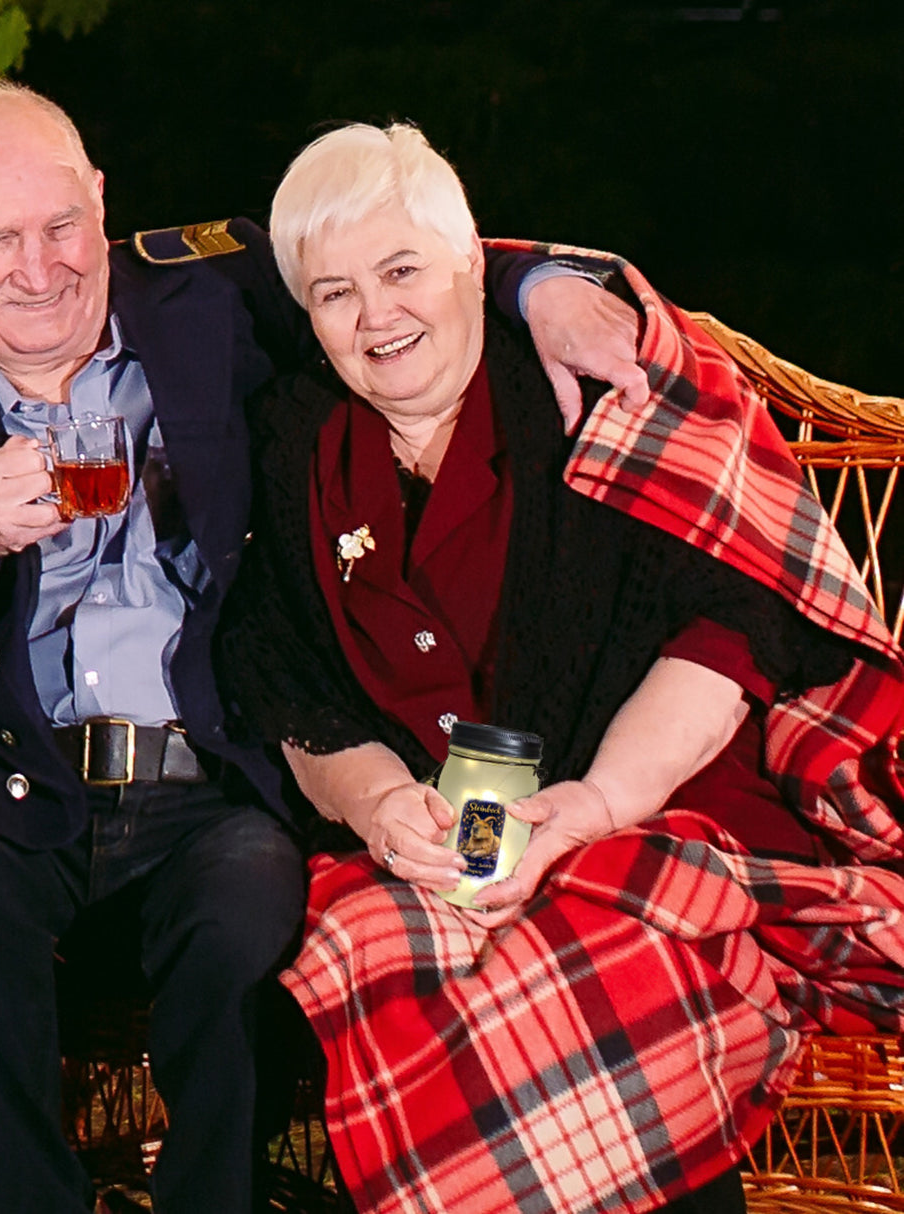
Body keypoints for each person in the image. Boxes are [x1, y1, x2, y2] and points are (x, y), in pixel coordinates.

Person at [0, 83, 649, 1214]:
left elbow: (386, 258)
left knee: (247, 903)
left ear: (99, 200)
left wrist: (543, 285)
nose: (40, 269)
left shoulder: (205, 300)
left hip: (204, 782)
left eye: (60, 225)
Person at [215, 122, 904, 1214]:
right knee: (371, 947)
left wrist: (597, 802)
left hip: (639, 799)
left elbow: (729, 623)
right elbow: (275, 667)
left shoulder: (588, 392)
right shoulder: (289, 436)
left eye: (401, 270)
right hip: (425, 852)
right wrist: (384, 803)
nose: (375, 314)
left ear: (468, 266)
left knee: (615, 955)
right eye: (333, 291)